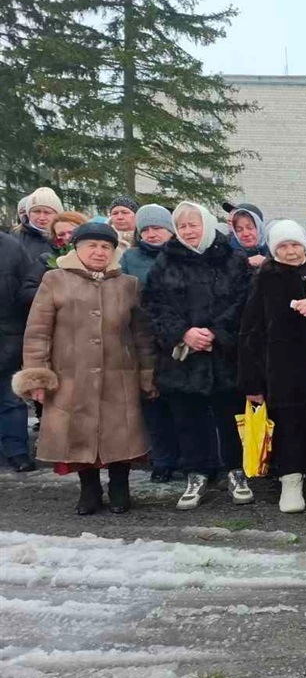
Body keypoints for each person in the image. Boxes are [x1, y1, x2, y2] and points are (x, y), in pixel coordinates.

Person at [13, 223, 155, 514]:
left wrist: (146, 372)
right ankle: (89, 489)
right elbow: (38, 332)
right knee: (79, 434)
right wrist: (37, 375)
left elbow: (142, 335)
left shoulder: (128, 284)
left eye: (106, 247)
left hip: (120, 375)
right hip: (70, 376)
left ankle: (119, 487)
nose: (99, 251)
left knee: (120, 433)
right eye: (92, 245)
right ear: (76, 248)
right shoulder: (55, 280)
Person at [143, 201, 253, 510]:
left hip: (225, 355)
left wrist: (217, 332)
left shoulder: (233, 259)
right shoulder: (165, 262)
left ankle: (235, 470)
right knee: (188, 418)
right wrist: (184, 333)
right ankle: (197, 472)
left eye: (194, 224)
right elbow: (154, 305)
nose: (189, 231)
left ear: (206, 224)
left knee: (230, 416)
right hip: (183, 356)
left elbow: (245, 301)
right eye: (182, 226)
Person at [238, 220, 306, 514]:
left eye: (294, 244)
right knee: (288, 425)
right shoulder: (266, 278)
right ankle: (291, 482)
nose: (289, 251)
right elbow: (251, 330)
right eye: (282, 246)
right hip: (283, 368)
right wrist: (252, 382)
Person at [119, 204, 180, 482]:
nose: (152, 234)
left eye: (158, 228)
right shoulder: (130, 258)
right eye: (146, 229)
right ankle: (163, 459)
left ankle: (188, 458)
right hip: (144, 338)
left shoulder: (181, 255)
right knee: (153, 402)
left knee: (181, 402)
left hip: (178, 337)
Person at [0, 230, 42, 472]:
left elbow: (26, 293)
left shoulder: (12, 247)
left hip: (8, 336)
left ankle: (17, 452)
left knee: (11, 400)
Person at [13, 187, 60, 269]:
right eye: (36, 211)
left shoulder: (65, 237)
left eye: (47, 212)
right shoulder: (14, 237)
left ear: (57, 214)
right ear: (28, 213)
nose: (42, 217)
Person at [225, 203, 268, 269]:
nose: (246, 234)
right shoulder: (226, 251)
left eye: (250, 228)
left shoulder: (273, 249)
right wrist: (245, 263)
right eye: (239, 229)